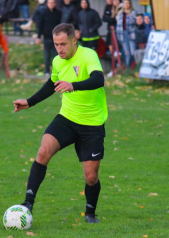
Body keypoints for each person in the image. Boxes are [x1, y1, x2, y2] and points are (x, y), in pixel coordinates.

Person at [13, 23, 108, 224]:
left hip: (92, 124)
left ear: (74, 40)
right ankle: (27, 204)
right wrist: (29, 102)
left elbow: (99, 80)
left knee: (91, 176)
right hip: (67, 118)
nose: (60, 49)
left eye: (63, 44)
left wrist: (73, 85)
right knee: (43, 151)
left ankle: (90, 213)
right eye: (56, 44)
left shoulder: (88, 55)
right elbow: (52, 84)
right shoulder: (58, 61)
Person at [36, 0, 61, 76]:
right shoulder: (43, 13)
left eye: (53, 3)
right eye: (50, 3)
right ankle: (47, 71)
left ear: (55, 4)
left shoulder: (58, 13)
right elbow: (40, 25)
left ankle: (56, 71)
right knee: (47, 55)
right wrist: (39, 37)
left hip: (56, 38)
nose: (51, 4)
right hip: (46, 37)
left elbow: (60, 25)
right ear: (47, 4)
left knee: (56, 55)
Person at [116, 0, 137, 67]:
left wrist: (128, 15)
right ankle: (129, 68)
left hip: (131, 34)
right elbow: (118, 24)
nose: (126, 5)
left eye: (128, 3)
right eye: (125, 3)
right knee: (126, 52)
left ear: (130, 4)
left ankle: (135, 67)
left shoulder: (134, 12)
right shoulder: (120, 13)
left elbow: (134, 22)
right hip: (122, 35)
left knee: (133, 52)